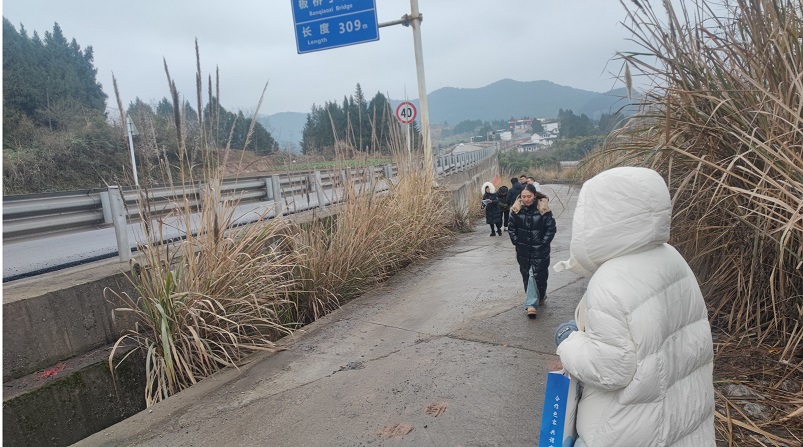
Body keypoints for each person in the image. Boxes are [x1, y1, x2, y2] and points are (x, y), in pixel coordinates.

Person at [552, 167, 715, 446]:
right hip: (676, 417)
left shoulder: (610, 280)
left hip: (623, 430)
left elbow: (610, 368)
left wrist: (568, 341)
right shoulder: (672, 258)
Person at [508, 183, 556, 318]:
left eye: (529, 196)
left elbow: (551, 228)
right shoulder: (516, 210)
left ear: (534, 195)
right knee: (527, 275)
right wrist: (516, 241)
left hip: (540, 250)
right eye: (523, 197)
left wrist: (544, 242)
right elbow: (511, 227)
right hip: (523, 250)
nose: (526, 199)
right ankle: (533, 301)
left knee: (538, 275)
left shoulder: (543, 210)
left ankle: (534, 302)